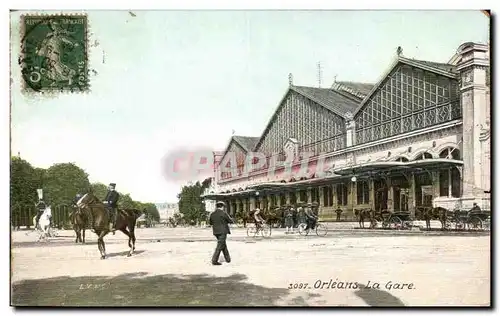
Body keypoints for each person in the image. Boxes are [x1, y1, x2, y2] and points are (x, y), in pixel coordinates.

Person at [209, 201, 234, 266]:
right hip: (223, 231)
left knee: (223, 244)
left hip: (215, 231)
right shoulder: (223, 213)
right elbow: (230, 221)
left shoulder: (212, 214)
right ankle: (214, 260)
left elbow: (210, 223)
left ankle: (228, 259)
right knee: (219, 246)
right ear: (222, 207)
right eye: (223, 207)